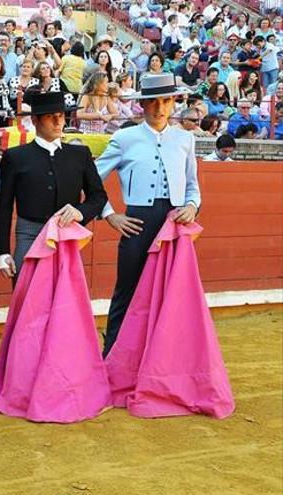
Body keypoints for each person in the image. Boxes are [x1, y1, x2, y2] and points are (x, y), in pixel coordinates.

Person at [95, 73, 200, 357]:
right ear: (142, 105)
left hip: (174, 223)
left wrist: (191, 206)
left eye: (165, 101)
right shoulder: (125, 137)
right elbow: (91, 178)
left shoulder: (184, 138)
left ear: (173, 102)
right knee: (126, 291)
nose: (159, 107)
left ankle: (161, 358)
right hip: (137, 222)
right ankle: (112, 354)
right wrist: (109, 214)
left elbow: (192, 185)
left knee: (172, 294)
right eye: (152, 101)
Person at [0, 89, 107, 278]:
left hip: (67, 234)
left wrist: (81, 212)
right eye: (50, 116)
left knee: (65, 297)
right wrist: (2, 251)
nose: (58, 122)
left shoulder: (80, 154)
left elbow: (98, 196)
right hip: (29, 234)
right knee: (27, 293)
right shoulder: (16, 157)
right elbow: (3, 206)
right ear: (36, 120)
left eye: (61, 116)